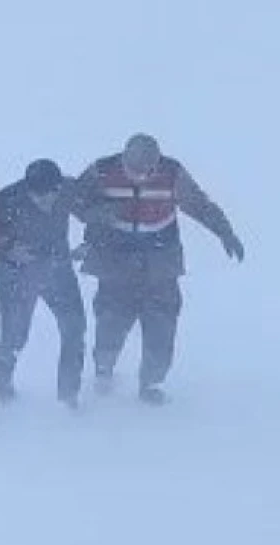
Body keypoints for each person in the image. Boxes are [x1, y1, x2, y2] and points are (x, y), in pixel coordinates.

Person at [67, 133, 245, 405]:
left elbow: (199, 204)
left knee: (161, 325)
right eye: (134, 170)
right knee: (111, 320)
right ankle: (104, 369)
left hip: (161, 261)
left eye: (147, 171)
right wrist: (99, 214)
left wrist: (225, 232)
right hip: (115, 259)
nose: (141, 177)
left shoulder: (172, 172)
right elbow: (75, 200)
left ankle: (150, 383)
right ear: (124, 159)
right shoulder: (102, 170)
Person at [0, 158, 87, 409]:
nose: (46, 201)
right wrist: (9, 247)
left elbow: (94, 212)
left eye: (51, 194)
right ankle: (1, 384)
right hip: (18, 273)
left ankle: (69, 394)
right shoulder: (5, 200)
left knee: (74, 328)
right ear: (27, 188)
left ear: (59, 187)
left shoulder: (68, 190)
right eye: (38, 196)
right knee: (15, 334)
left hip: (58, 268)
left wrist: (91, 243)